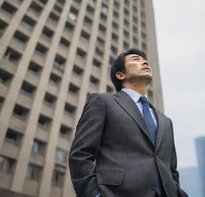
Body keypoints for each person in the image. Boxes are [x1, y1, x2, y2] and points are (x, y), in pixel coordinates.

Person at [69, 48, 188, 197]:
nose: (144, 62)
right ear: (120, 74)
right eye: (136, 59)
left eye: (145, 60)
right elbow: (81, 154)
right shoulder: (103, 102)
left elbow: (171, 170)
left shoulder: (165, 121)